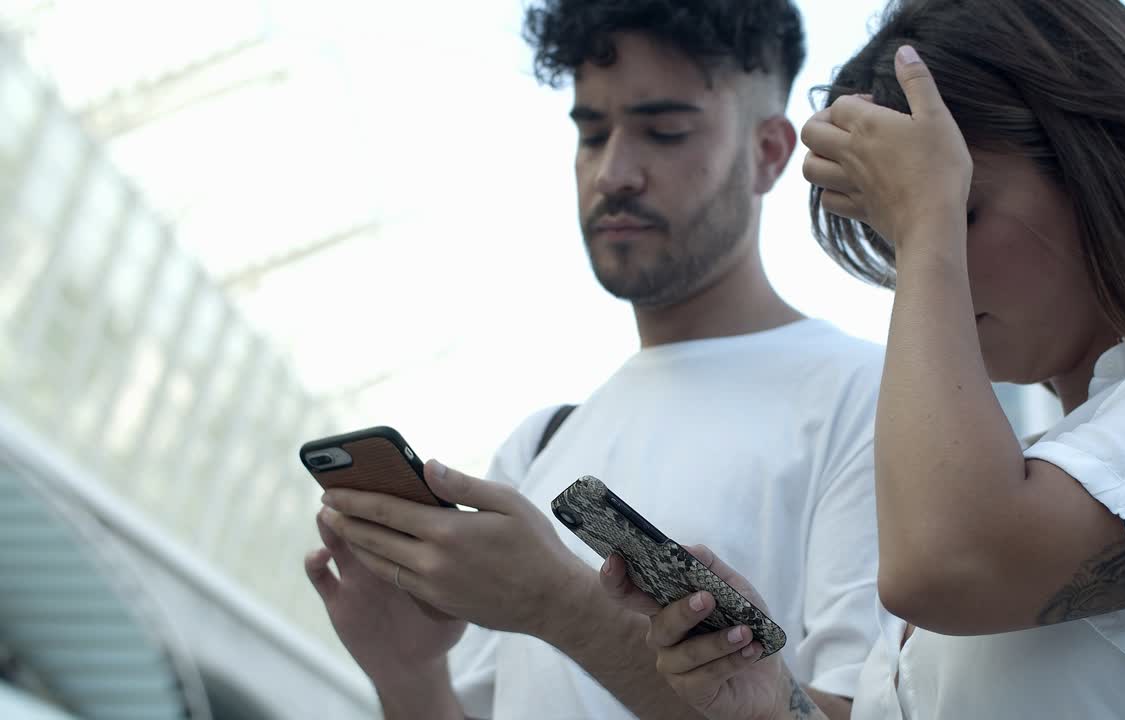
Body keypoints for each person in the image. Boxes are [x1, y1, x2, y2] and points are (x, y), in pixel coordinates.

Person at [607, 0, 1125, 717]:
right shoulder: (1028, 470)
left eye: (959, 211)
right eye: (896, 238)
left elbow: (948, 563)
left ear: (1098, 167)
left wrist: (926, 220)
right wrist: (772, 699)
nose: (925, 274)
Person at [304, 1, 886, 718]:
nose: (613, 172)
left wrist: (560, 604)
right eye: (591, 132)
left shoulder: (866, 398)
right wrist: (408, 675)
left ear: (768, 153)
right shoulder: (540, 445)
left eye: (663, 131)